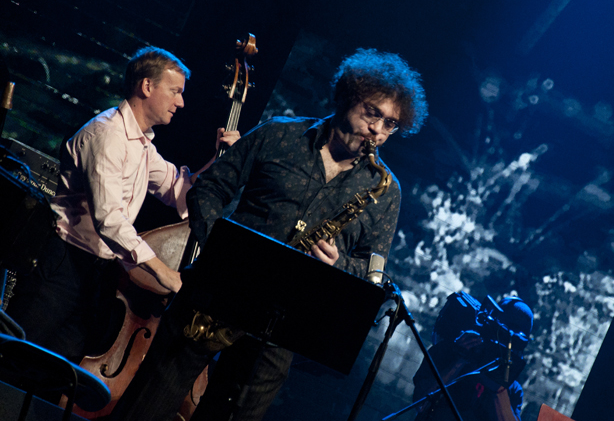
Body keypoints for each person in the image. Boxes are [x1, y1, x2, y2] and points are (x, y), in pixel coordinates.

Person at [110, 47, 428, 421]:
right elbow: (210, 188)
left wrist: (339, 264)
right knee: (144, 410)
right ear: (347, 97)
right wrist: (218, 252)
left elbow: (373, 272)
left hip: (282, 328)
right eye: (373, 113)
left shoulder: (385, 190)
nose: (378, 130)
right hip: (216, 295)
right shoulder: (279, 134)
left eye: (390, 124)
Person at [5, 47, 239, 363]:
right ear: (147, 86)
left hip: (97, 272)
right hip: (62, 264)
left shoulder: (141, 144)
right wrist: (165, 274)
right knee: (15, 359)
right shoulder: (107, 135)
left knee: (52, 371)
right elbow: (110, 220)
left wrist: (221, 160)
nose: (181, 102)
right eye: (175, 91)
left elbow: (179, 190)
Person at [412, 292, 534, 421]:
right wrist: (459, 360)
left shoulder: (511, 389)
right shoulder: (447, 351)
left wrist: (499, 387)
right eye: (499, 335)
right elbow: (420, 403)